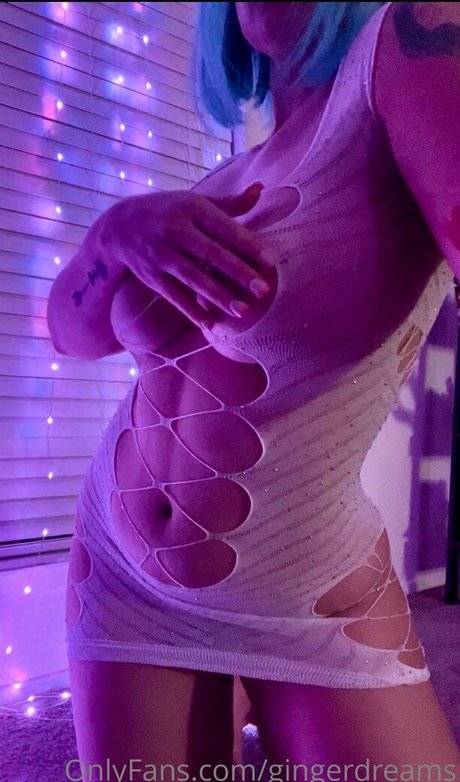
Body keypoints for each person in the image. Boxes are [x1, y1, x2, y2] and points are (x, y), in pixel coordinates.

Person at [46, 2, 460, 780]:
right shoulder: (225, 176)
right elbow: (72, 333)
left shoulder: (410, 41)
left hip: (305, 583)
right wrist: (115, 232)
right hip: (119, 570)